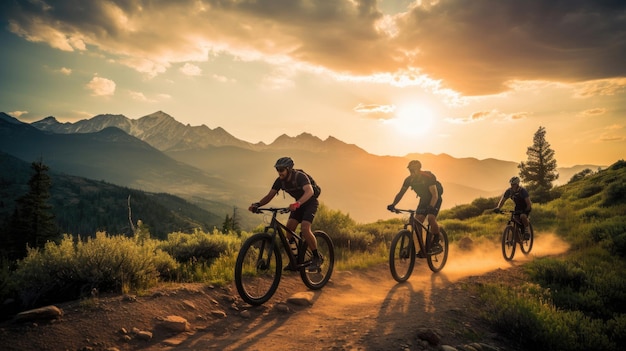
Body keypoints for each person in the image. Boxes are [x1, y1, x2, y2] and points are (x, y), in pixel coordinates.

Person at [248, 157, 322, 272]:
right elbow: (269, 196)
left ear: (288, 169)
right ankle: (296, 259)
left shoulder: (300, 176)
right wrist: (257, 204)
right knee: (289, 231)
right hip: (297, 204)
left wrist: (297, 203)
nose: (279, 172)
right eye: (277, 169)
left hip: (309, 202)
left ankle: (316, 257)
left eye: (281, 169)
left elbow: (310, 191)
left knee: (305, 227)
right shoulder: (279, 181)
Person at [387, 160, 443, 257]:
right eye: (410, 170)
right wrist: (393, 204)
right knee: (416, 223)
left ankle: (436, 241)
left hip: (434, 199)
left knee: (430, 217)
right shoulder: (409, 180)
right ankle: (422, 248)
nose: (411, 172)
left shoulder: (428, 177)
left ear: (419, 169)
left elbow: (435, 195)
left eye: (413, 170)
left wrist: (431, 207)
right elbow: (400, 193)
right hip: (424, 200)